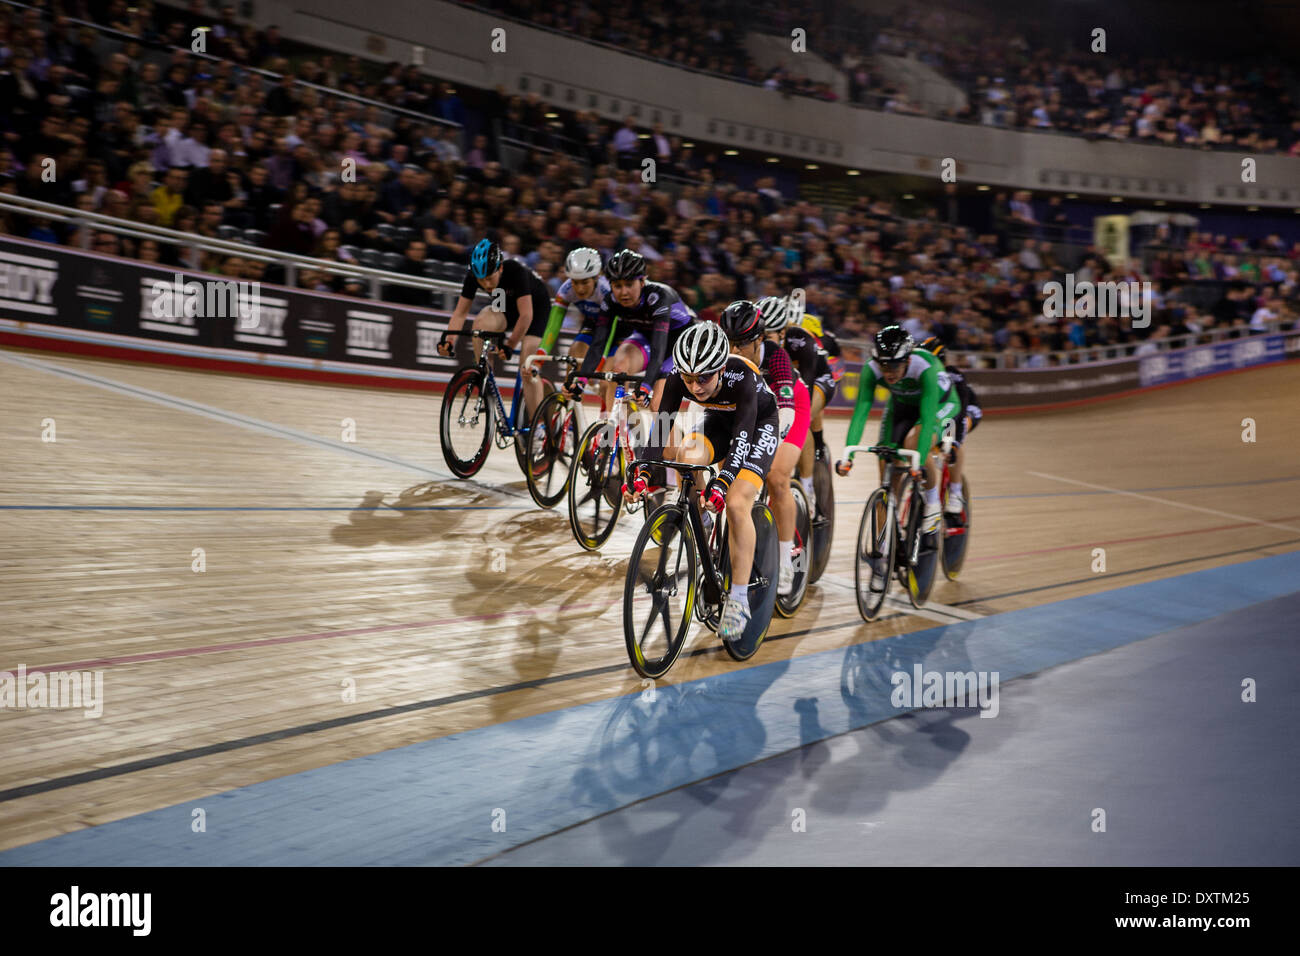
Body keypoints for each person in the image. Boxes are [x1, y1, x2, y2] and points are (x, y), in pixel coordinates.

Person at [626, 321, 780, 640]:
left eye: (705, 378)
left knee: (737, 504)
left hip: (757, 424)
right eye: (689, 379)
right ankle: (700, 520)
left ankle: (738, 600)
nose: (695, 387)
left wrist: (723, 482)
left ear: (721, 368)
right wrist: (642, 473)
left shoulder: (743, 376)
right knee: (685, 454)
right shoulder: (677, 378)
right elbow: (659, 431)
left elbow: (741, 439)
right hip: (719, 420)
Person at [720, 300, 810, 597]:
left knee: (776, 476)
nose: (734, 350)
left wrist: (767, 444)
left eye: (741, 343)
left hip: (788, 408)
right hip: (753, 408)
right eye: (730, 343)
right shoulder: (724, 356)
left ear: (759, 339)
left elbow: (784, 407)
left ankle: (786, 559)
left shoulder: (777, 355)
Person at [836, 326, 961, 532]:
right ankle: (884, 539)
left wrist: (919, 461)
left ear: (908, 360)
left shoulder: (926, 367)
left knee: (913, 442)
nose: (888, 372)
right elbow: (861, 412)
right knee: (886, 456)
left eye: (894, 366)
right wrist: (849, 455)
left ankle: (932, 503)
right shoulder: (871, 368)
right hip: (903, 405)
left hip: (939, 405)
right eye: (883, 366)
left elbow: (928, 417)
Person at [437, 238, 552, 424]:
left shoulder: (515, 270)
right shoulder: (475, 276)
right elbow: (460, 313)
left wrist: (510, 345)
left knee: (527, 367)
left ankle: (538, 426)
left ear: (500, 268)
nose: (486, 284)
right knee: (481, 323)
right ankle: (485, 379)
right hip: (505, 303)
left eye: (489, 277)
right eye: (481, 280)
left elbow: (526, 316)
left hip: (535, 310)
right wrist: (449, 341)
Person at [570, 249, 696, 414]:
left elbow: (658, 351)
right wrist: (580, 380)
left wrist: (645, 387)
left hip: (679, 343)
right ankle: (619, 430)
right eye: (617, 286)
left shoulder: (658, 297)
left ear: (642, 281)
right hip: (647, 336)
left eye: (629, 284)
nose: (623, 292)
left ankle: (669, 439)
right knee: (618, 372)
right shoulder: (610, 301)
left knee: (658, 405)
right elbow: (597, 344)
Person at [917, 337, 980, 514]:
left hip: (966, 410)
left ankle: (956, 491)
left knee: (951, 437)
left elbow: (956, 414)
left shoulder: (953, 375)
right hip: (943, 411)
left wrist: (952, 444)